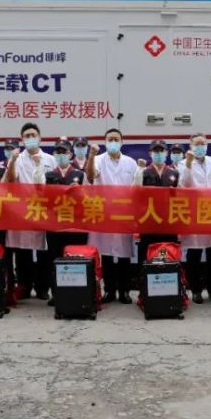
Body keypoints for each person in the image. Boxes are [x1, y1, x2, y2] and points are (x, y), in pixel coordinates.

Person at [4, 122, 56, 300]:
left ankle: (42, 287)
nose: (31, 139)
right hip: (23, 211)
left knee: (44, 252)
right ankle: (24, 286)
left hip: (44, 211)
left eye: (34, 135)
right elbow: (10, 180)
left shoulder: (50, 159)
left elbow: (57, 184)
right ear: (22, 139)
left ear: (40, 137)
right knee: (22, 251)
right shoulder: (17, 159)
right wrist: (11, 160)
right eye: (27, 136)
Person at [86, 128, 139, 304]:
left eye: (116, 139)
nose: (113, 142)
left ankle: (124, 291)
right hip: (105, 213)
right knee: (107, 254)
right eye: (110, 139)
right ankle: (109, 290)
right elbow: (91, 176)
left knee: (124, 254)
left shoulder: (131, 163)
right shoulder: (98, 160)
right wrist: (91, 155)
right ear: (105, 141)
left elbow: (136, 189)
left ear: (122, 142)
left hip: (124, 215)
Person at [180, 133, 211, 303]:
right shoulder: (183, 163)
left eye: (203, 143)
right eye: (197, 143)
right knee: (194, 255)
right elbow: (184, 184)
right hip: (194, 213)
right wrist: (189, 164)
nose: (200, 146)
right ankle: (196, 290)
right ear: (190, 145)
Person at [43, 139, 88, 305]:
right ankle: (57, 293)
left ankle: (77, 291)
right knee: (54, 259)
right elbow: (40, 197)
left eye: (64, 152)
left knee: (76, 257)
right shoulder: (48, 175)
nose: (61, 155)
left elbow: (91, 198)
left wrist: (80, 192)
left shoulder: (80, 174)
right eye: (58, 152)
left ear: (70, 154)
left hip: (76, 225)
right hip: (55, 225)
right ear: (54, 155)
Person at [134, 139, 179, 266]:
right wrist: (139, 171)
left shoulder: (174, 173)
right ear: (150, 153)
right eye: (155, 151)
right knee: (146, 257)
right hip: (149, 222)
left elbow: (182, 196)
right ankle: (145, 283)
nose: (158, 153)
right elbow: (134, 192)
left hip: (168, 223)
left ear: (167, 153)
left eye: (161, 150)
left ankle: (170, 282)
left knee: (169, 255)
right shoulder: (143, 172)